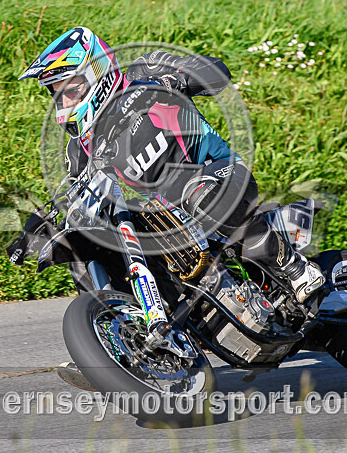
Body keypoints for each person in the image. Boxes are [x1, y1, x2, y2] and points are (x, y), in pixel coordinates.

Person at [19, 26, 325, 305]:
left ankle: (295, 268)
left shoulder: (144, 70)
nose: (64, 102)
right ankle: (118, 335)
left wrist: (175, 79)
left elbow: (219, 72)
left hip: (217, 171)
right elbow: (79, 196)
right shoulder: (80, 147)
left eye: (70, 90)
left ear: (95, 74)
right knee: (91, 242)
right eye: (56, 94)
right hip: (167, 216)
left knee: (196, 191)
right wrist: (44, 225)